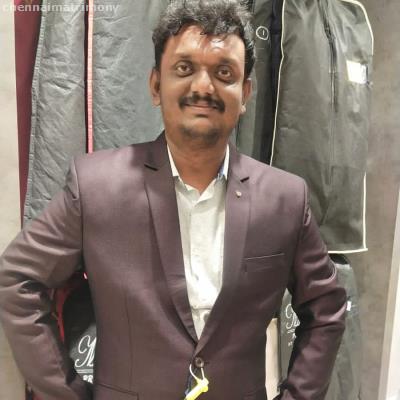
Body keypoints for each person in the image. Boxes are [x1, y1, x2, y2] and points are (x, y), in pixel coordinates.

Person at [0, 1, 346, 399]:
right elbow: (18, 279)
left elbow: (327, 308)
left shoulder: (285, 198)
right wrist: (67, 393)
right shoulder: (96, 186)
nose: (204, 86)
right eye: (184, 68)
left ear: (245, 93)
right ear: (155, 85)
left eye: (224, 73)